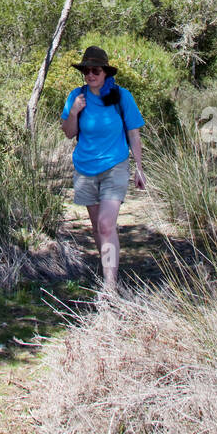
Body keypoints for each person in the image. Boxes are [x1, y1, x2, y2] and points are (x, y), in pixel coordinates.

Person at [60, 45, 146, 286]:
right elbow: (68, 133)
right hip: (85, 169)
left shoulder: (121, 97)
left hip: (114, 167)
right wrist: (75, 112)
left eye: (95, 70)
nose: (90, 75)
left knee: (107, 225)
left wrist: (139, 168)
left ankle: (110, 287)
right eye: (86, 71)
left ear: (106, 72)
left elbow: (133, 133)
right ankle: (107, 269)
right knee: (98, 229)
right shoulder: (76, 96)